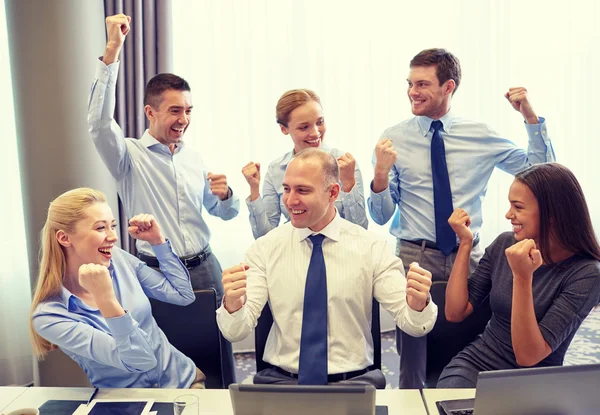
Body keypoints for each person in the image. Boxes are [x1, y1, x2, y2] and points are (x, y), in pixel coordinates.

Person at [367, 48, 556, 388]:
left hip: (469, 257)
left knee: (470, 341)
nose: (413, 92)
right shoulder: (393, 138)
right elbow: (380, 216)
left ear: (448, 86)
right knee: (413, 351)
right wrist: (380, 175)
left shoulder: (479, 134)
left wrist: (529, 116)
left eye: (422, 84)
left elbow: (541, 171)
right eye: (409, 84)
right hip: (414, 256)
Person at [218, 148, 437, 389]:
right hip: (282, 383)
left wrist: (418, 305)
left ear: (333, 192)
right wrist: (233, 305)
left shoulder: (370, 247)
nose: (291, 201)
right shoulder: (264, 249)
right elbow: (235, 332)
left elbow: (415, 326)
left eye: (303, 190)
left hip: (354, 382)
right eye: (287, 189)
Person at [88, 14, 239, 300]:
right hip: (157, 272)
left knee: (219, 344)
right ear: (150, 112)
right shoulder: (128, 157)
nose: (184, 119)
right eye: (175, 110)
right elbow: (99, 124)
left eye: (188, 110)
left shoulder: (193, 158)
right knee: (163, 345)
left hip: (207, 268)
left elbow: (226, 213)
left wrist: (226, 195)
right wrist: (112, 50)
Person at [437, 163, 600, 388]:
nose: (508, 214)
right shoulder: (505, 244)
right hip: (477, 365)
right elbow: (455, 312)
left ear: (552, 214)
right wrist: (465, 243)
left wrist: (522, 277)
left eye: (518, 207)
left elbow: (528, 356)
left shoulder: (586, 274)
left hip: (535, 382)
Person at [30, 188, 205, 388]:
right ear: (64, 238)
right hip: (127, 404)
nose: (113, 237)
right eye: (100, 228)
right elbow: (141, 360)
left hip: (184, 383)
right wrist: (106, 300)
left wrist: (158, 242)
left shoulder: (119, 258)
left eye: (112, 226)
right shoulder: (49, 317)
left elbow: (183, 295)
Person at [242, 89, 368, 239]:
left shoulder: (345, 165)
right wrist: (254, 190)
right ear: (284, 129)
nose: (315, 133)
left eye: (320, 122)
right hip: (295, 255)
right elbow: (265, 238)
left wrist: (349, 185)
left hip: (342, 255)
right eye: (304, 127)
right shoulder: (276, 170)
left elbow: (361, 231)